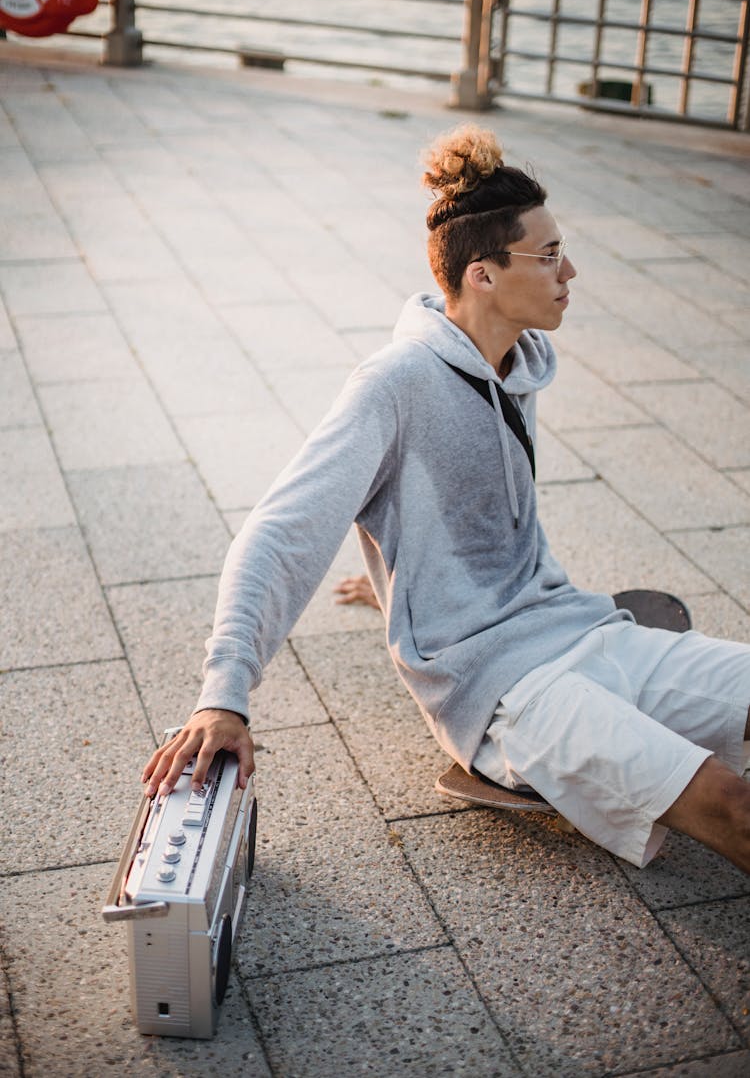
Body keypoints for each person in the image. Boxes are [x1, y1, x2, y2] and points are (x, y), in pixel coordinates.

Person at [143, 124, 750, 873]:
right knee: (733, 805)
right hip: (508, 691)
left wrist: (409, 582)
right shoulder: (394, 384)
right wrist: (223, 694)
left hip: (588, 630)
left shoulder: (514, 365)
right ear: (482, 275)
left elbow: (469, 513)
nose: (572, 271)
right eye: (550, 254)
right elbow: (279, 533)